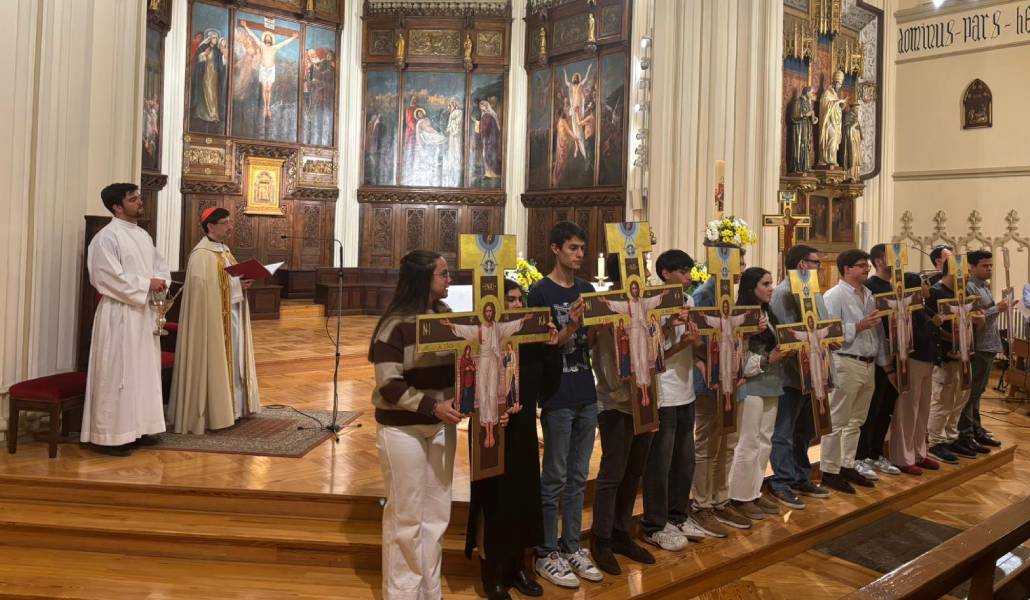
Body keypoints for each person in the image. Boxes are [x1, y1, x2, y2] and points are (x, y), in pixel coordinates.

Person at [369, 250, 463, 600]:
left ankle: (430, 591)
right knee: (406, 516)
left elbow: (460, 367)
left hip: (441, 425)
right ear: (424, 279)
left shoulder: (447, 317)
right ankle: (402, 593)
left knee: (437, 513)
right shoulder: (394, 325)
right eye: (443, 274)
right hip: (402, 428)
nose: (449, 279)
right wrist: (433, 406)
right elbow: (388, 385)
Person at [530, 221, 602, 589]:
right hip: (556, 393)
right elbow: (544, 345)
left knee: (577, 477)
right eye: (573, 248)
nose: (579, 254)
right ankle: (546, 550)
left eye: (581, 248)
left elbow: (590, 339)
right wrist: (573, 327)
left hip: (585, 391)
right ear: (556, 249)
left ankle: (572, 545)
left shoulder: (586, 289)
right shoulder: (539, 293)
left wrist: (601, 327)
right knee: (554, 477)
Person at [464, 279, 547, 600]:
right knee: (493, 497)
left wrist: (555, 340)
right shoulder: (479, 337)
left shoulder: (526, 336)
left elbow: (542, 379)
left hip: (522, 425)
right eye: (508, 300)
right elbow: (464, 379)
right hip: (488, 424)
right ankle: (493, 572)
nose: (515, 305)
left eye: (517, 299)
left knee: (523, 493)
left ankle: (517, 566)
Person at [81, 183, 171, 456]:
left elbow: (160, 267)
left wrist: (161, 282)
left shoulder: (143, 235)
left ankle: (140, 428)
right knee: (117, 373)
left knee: (142, 372)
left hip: (143, 313)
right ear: (116, 207)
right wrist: (147, 283)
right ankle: (111, 436)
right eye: (133, 199)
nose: (140, 203)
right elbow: (105, 277)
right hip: (119, 314)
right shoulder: (106, 238)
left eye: (139, 198)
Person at [589, 254, 658, 575]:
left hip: (645, 397)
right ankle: (600, 539)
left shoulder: (645, 304)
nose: (645, 272)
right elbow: (589, 344)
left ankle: (621, 533)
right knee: (612, 473)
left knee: (634, 471)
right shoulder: (604, 304)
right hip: (615, 399)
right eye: (642, 266)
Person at [168, 207, 261, 435]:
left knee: (236, 359)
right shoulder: (201, 255)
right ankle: (215, 411)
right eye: (225, 223)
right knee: (215, 360)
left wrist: (243, 282)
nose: (230, 227)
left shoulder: (224, 250)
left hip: (233, 315)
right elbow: (205, 291)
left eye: (230, 223)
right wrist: (237, 284)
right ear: (210, 226)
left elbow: (229, 281)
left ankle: (236, 409)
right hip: (212, 321)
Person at [640, 250, 710, 548]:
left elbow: (694, 350)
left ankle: (678, 515)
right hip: (664, 392)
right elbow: (652, 356)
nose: (689, 276)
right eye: (683, 271)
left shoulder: (689, 301)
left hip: (686, 390)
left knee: (684, 461)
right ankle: (654, 524)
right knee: (660, 462)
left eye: (690, 270)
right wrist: (674, 334)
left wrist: (696, 344)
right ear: (666, 273)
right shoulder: (652, 303)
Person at [820, 249, 895, 494]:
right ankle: (829, 470)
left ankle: (847, 464)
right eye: (862, 266)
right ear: (847, 269)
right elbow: (829, 333)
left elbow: (879, 332)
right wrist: (857, 326)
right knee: (838, 420)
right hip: (845, 360)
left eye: (867, 266)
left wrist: (884, 362)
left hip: (868, 361)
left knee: (857, 420)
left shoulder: (870, 295)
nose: (867, 269)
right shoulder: (834, 296)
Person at [767, 245, 832, 509]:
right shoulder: (782, 293)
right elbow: (785, 334)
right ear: (803, 265)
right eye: (816, 262)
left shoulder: (813, 289)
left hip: (814, 370)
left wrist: (831, 340)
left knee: (805, 429)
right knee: (784, 431)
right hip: (791, 373)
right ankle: (781, 480)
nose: (820, 267)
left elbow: (823, 324)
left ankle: (800, 476)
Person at [691, 248, 750, 531]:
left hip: (732, 379)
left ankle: (720, 499)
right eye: (740, 262)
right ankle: (701, 504)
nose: (744, 267)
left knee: (727, 442)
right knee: (706, 445)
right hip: (711, 382)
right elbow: (696, 341)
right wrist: (715, 365)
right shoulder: (704, 295)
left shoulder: (731, 294)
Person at [727, 268, 787, 521]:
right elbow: (738, 354)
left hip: (771, 381)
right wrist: (767, 358)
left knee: (765, 440)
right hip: (751, 383)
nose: (771, 288)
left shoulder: (768, 313)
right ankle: (739, 496)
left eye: (772, 283)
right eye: (765, 283)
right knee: (748, 442)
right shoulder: (742, 314)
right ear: (751, 287)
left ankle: (753, 491)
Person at [854, 244, 904, 478]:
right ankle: (861, 455)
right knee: (870, 410)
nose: (897, 260)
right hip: (873, 356)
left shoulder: (897, 285)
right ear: (879, 260)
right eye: (891, 256)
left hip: (893, 352)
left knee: (886, 408)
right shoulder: (870, 288)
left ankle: (875, 452)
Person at [960, 250, 1007, 451]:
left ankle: (976, 428)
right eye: (984, 266)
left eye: (990, 266)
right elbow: (973, 317)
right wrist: (998, 308)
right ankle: (966, 432)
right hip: (978, 345)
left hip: (988, 344)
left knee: (978, 392)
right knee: (971, 392)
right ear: (971, 267)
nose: (989, 269)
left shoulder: (984, 286)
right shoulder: (969, 286)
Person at [242, 23, 298, 119]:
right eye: (266, 37)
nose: (268, 39)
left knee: (269, 89)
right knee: (264, 89)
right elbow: (253, 36)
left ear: (271, 40)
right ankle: (265, 107)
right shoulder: (261, 45)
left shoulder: (274, 47)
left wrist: (293, 38)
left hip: (271, 69)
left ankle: (268, 107)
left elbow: (285, 43)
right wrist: (245, 26)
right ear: (265, 39)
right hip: (263, 69)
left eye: (269, 38)